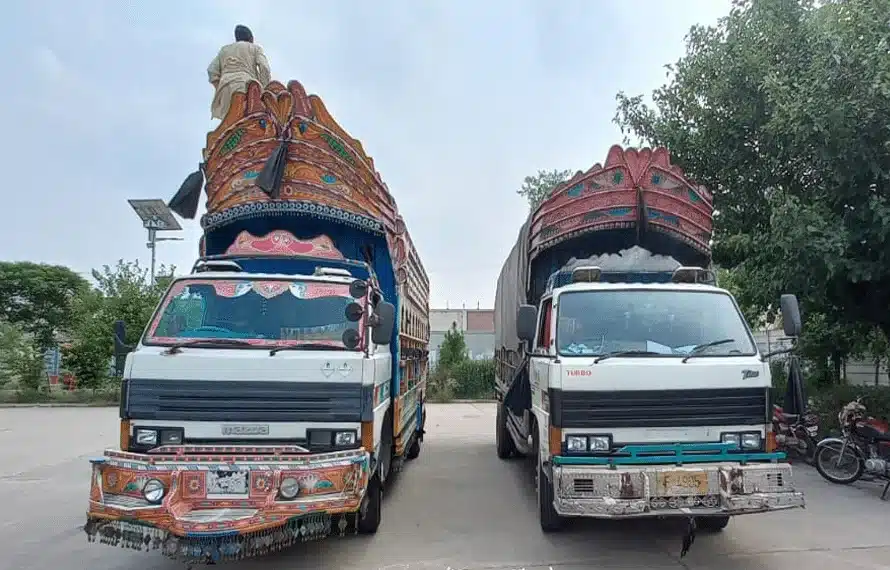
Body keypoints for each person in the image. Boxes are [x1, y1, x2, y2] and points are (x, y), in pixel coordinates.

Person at [207, 25, 272, 120]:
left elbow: (211, 71)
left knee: (230, 127)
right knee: (252, 123)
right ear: (251, 38)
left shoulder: (224, 50)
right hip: (246, 87)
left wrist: (219, 87)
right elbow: (264, 68)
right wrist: (263, 89)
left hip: (225, 89)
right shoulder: (254, 48)